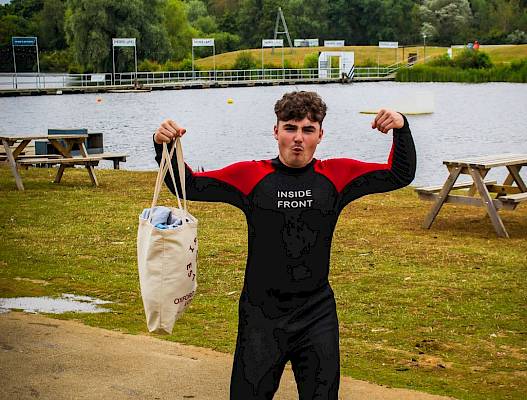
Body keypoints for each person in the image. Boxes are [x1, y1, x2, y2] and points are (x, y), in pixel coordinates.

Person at [153, 91, 416, 399]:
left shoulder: (336, 176)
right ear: (276, 131)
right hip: (261, 317)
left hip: (316, 314)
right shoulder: (251, 176)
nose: (298, 138)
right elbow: (189, 185)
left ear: (320, 135)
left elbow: (399, 174)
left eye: (308, 129)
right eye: (290, 128)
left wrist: (402, 127)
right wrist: (163, 145)